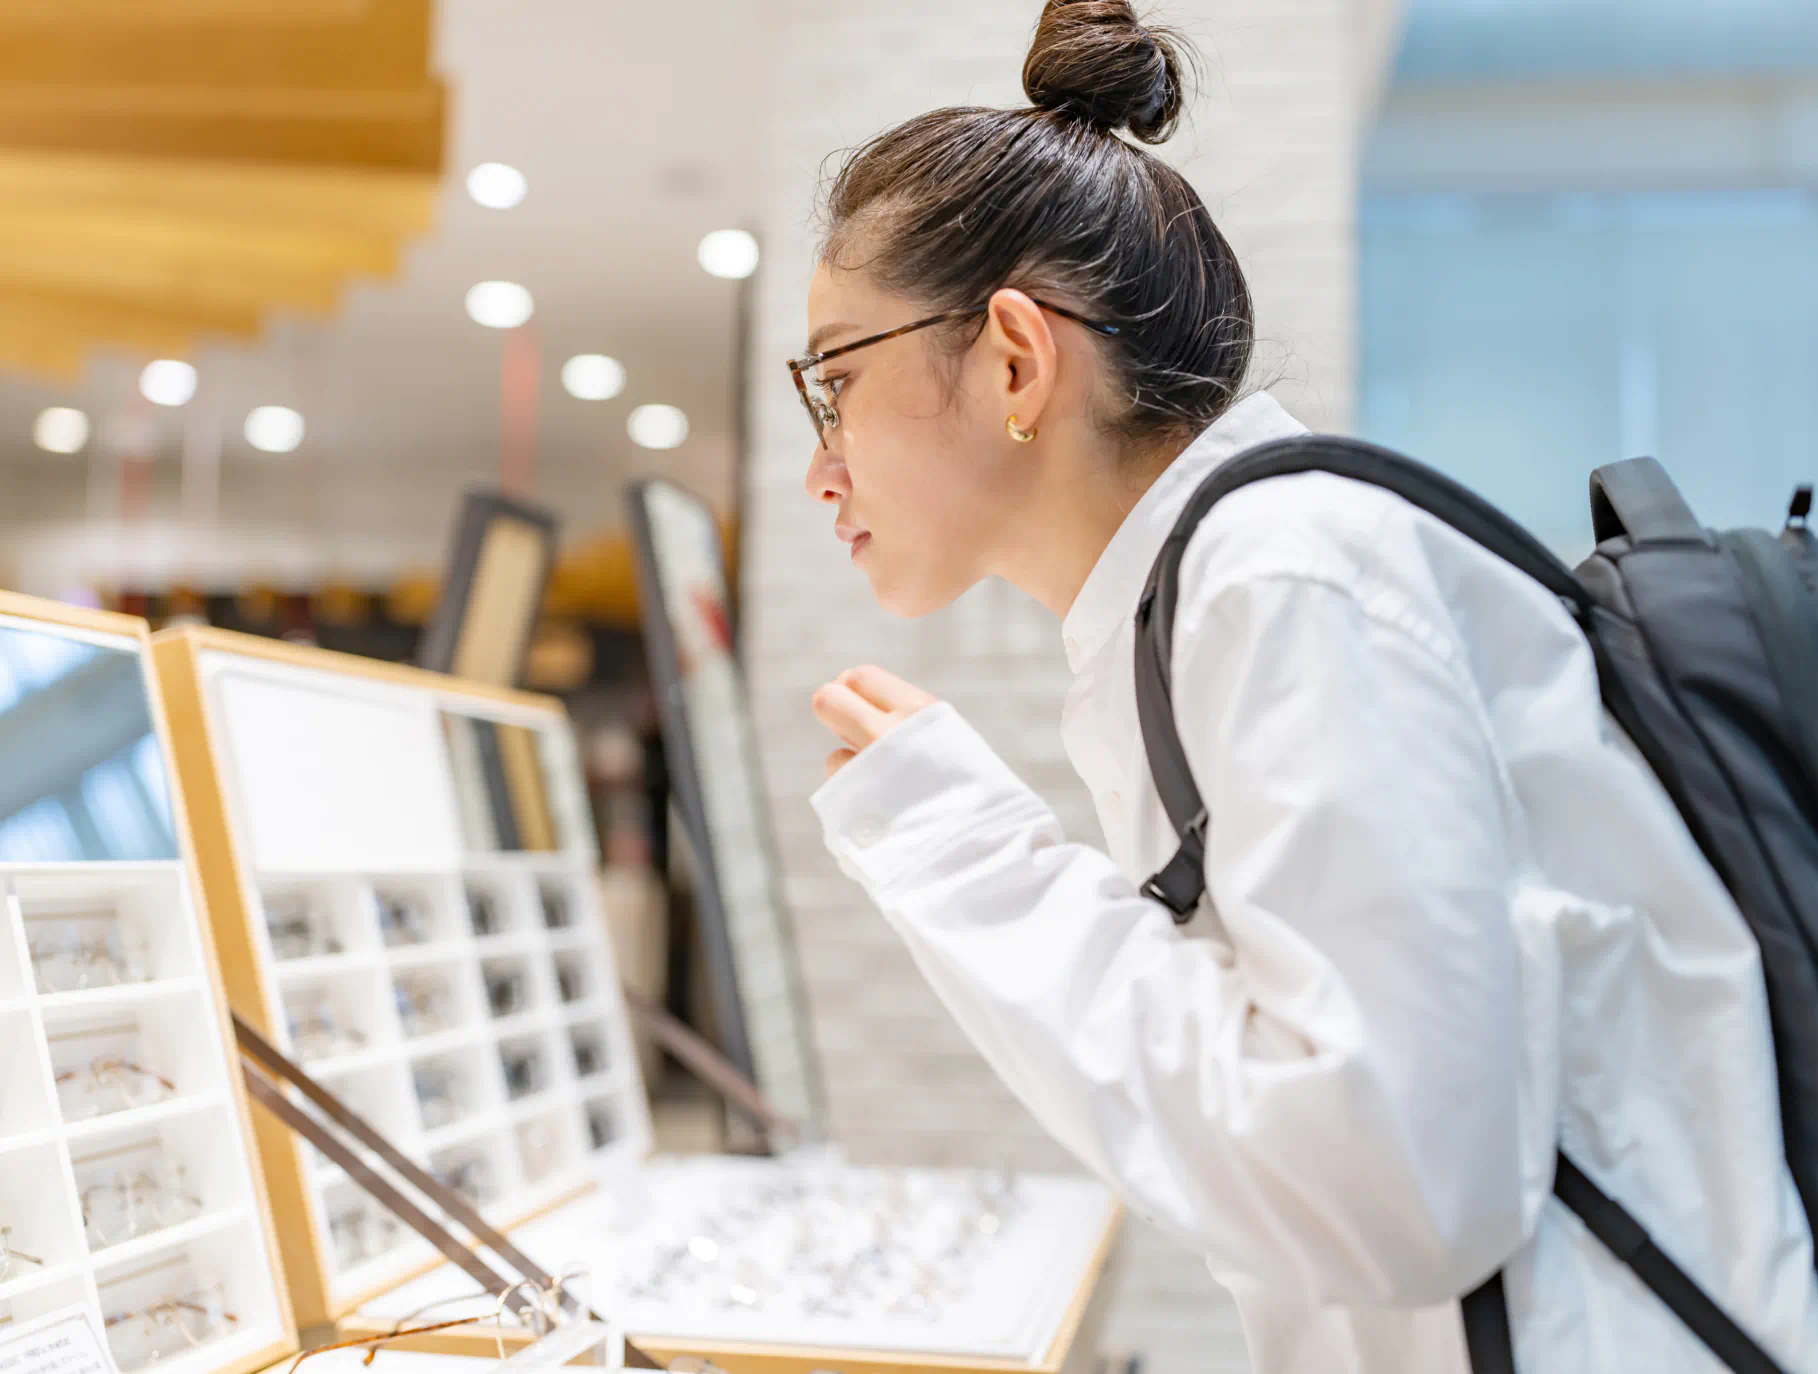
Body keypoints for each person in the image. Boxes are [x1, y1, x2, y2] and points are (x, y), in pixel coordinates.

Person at [792, 2, 1818, 1371]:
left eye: (834, 382)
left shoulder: (1279, 574)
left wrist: (968, 851)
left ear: (1016, 358)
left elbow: (1394, 1183)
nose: (820, 466)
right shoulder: (1202, 597)